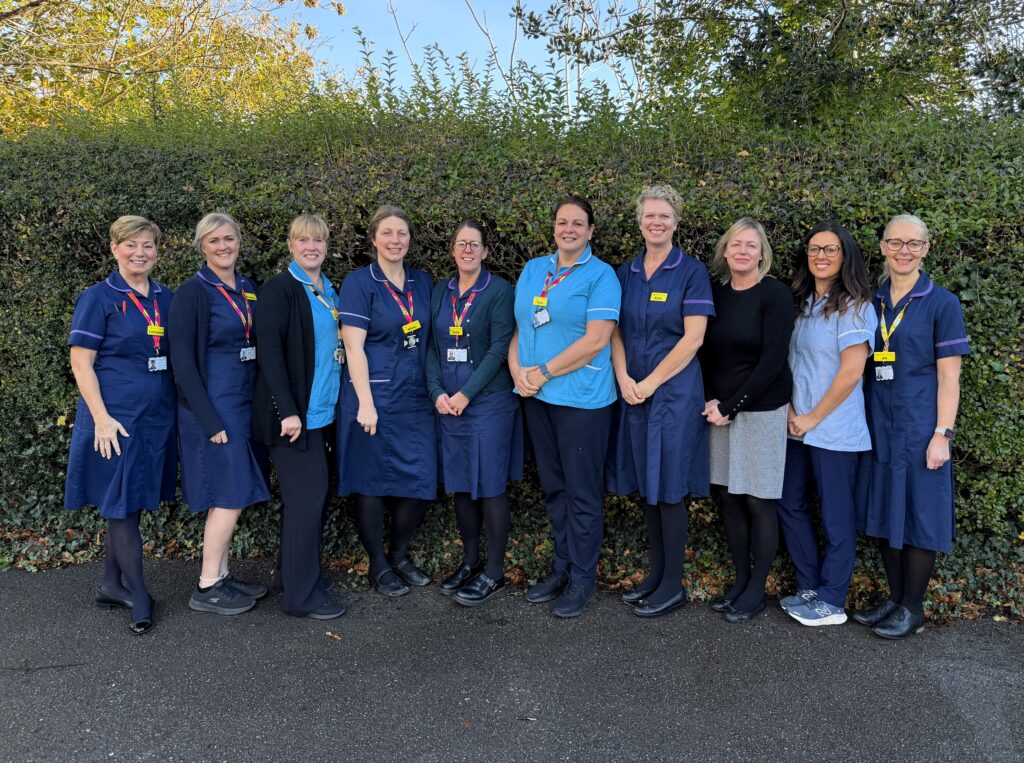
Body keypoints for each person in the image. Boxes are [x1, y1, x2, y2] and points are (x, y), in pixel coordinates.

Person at [854, 214, 969, 639]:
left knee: (920, 514)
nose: (904, 251)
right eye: (896, 243)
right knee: (886, 508)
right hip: (878, 425)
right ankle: (895, 597)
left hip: (921, 427)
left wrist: (943, 434)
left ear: (926, 249)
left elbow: (949, 377)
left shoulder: (942, 304)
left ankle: (913, 608)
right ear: (883, 247)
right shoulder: (870, 300)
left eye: (914, 244)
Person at [65, 215, 176, 635]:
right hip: (115, 420)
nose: (140, 253)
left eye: (148, 245)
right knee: (122, 505)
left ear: (157, 252)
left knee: (128, 501)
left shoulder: (166, 297)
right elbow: (81, 362)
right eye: (131, 245)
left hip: (155, 418)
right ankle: (140, 594)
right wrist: (101, 419)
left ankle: (112, 584)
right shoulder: (98, 298)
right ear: (114, 249)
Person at [511, 194, 621, 618]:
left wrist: (543, 373)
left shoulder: (601, 276)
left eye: (578, 223)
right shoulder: (534, 269)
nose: (569, 229)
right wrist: (517, 369)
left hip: (582, 402)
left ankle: (582, 577)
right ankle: (561, 567)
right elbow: (521, 325)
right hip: (538, 399)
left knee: (582, 493)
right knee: (554, 489)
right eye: (562, 222)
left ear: (591, 231)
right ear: (554, 227)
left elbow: (596, 340)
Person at [608, 185, 714, 618]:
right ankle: (656, 575)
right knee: (648, 487)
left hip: (672, 395)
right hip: (632, 393)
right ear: (639, 221)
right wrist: (623, 377)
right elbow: (612, 331)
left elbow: (694, 338)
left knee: (670, 488)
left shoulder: (690, 272)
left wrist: (649, 382)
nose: (656, 222)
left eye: (664, 216)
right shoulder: (624, 273)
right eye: (650, 216)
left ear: (676, 222)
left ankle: (672, 585)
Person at [169, 212, 271, 615]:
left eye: (228, 238)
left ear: (239, 242)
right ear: (202, 247)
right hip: (213, 408)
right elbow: (183, 363)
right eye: (213, 241)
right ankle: (207, 583)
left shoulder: (247, 288)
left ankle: (223, 575)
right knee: (227, 493)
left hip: (243, 404)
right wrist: (209, 421)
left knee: (234, 493)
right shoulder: (193, 293)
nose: (223, 246)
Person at [775, 222, 876, 627]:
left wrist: (814, 416)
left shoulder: (855, 304)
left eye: (830, 250)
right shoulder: (801, 303)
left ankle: (833, 601)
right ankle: (811, 587)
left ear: (845, 256)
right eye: (815, 248)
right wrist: (789, 412)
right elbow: (789, 364)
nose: (821, 256)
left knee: (836, 516)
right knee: (789, 502)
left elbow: (852, 372)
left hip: (834, 429)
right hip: (795, 424)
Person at [337, 205, 437, 597]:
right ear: (374, 238)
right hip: (373, 396)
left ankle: (398, 554)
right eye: (388, 233)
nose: (395, 241)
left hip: (415, 398)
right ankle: (377, 564)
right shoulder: (360, 283)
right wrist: (365, 401)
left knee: (420, 479)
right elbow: (353, 346)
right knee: (371, 482)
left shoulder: (422, 282)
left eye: (402, 234)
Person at [252, 214, 346, 620]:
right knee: (306, 500)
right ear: (290, 245)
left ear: (327, 246)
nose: (311, 247)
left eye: (319, 241)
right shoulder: (278, 291)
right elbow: (269, 356)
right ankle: (300, 598)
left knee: (308, 502)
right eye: (303, 240)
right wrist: (288, 412)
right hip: (292, 420)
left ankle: (296, 578)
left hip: (321, 414)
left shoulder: (328, 289)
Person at [701, 217, 795, 623]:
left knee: (758, 499)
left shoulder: (775, 295)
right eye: (735, 244)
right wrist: (710, 401)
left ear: (762, 253)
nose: (742, 251)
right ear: (725, 250)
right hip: (719, 410)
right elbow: (704, 352)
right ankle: (740, 581)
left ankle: (757, 589)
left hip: (760, 409)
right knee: (729, 496)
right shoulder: (716, 294)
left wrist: (731, 406)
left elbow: (773, 361)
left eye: (750, 245)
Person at [426, 221, 523, 606]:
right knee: (462, 485)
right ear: (452, 250)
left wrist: (465, 393)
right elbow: (431, 348)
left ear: (485, 252)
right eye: (461, 244)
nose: (467, 250)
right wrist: (437, 391)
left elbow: (499, 349)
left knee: (491, 486)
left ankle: (494, 573)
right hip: (448, 405)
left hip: (488, 405)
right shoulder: (441, 290)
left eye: (475, 245)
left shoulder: (499, 292)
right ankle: (470, 562)